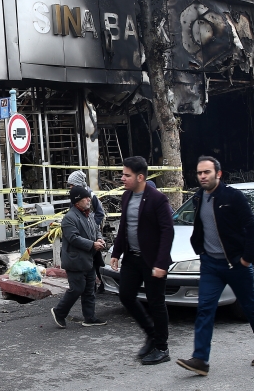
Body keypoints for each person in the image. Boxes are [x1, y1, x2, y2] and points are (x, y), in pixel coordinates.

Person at [177, 156, 254, 376]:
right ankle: (200, 359)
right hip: (211, 264)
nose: (202, 176)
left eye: (207, 172)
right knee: (205, 309)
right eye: (199, 173)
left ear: (218, 174)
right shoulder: (199, 198)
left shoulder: (233, 196)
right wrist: (200, 251)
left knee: (249, 306)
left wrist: (247, 258)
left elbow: (251, 226)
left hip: (235, 264)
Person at [109, 156, 174, 365]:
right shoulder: (127, 197)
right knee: (126, 295)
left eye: (126, 175)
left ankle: (162, 348)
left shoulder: (157, 199)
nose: (122, 178)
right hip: (132, 258)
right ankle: (151, 334)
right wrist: (116, 253)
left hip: (153, 260)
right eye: (123, 174)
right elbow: (124, 228)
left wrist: (161, 263)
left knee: (156, 303)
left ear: (140, 177)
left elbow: (167, 232)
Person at [50, 186, 107, 329]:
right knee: (77, 288)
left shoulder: (89, 215)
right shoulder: (70, 218)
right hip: (75, 261)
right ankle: (59, 312)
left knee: (89, 289)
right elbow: (73, 238)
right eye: (85, 197)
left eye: (88, 197)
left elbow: (96, 230)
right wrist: (92, 244)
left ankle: (90, 317)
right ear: (77, 201)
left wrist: (99, 240)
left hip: (89, 259)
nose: (89, 199)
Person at [67, 170, 105, 291]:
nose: (70, 187)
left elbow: (100, 213)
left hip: (91, 232)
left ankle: (102, 283)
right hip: (83, 230)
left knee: (95, 258)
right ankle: (92, 286)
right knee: (90, 257)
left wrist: (93, 226)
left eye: (72, 185)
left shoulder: (89, 195)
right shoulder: (76, 195)